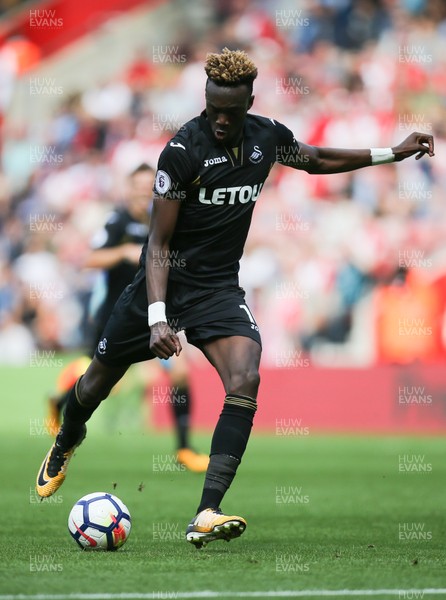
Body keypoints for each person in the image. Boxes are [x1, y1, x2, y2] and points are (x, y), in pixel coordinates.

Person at [36, 48, 434, 548]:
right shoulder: (182, 151)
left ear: (249, 102)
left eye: (231, 111)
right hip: (160, 287)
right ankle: (66, 441)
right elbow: (157, 245)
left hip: (217, 290)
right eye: (213, 109)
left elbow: (314, 158)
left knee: (246, 375)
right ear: (205, 100)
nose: (220, 121)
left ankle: (206, 510)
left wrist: (392, 153)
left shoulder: (266, 137)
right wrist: (158, 318)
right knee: (92, 386)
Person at [46, 163, 208, 472]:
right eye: (135, 186)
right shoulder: (117, 221)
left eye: (147, 187)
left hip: (157, 314)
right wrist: (123, 253)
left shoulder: (163, 219)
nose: (140, 193)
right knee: (99, 379)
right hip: (117, 318)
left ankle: (185, 448)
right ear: (128, 188)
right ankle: (59, 404)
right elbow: (89, 259)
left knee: (180, 372)